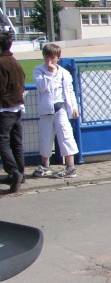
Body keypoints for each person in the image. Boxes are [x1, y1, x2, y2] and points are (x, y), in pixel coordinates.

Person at [33, 44, 80, 179]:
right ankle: (45, 165)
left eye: (53, 57)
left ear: (58, 58)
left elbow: (69, 91)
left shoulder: (64, 73)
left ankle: (70, 166)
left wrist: (74, 107)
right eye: (47, 56)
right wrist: (48, 72)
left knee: (65, 134)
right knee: (45, 137)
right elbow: (41, 87)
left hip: (60, 108)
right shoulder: (39, 71)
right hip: (46, 110)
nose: (50, 60)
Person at [0, 31, 26, 193]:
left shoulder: (1, 63)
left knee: (2, 141)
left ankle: (13, 172)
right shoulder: (14, 62)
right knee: (16, 142)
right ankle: (20, 172)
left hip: (5, 107)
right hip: (17, 106)